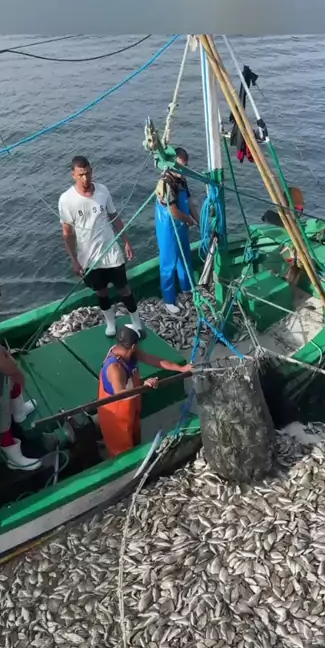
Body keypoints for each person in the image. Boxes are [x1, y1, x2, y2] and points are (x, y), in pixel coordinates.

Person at [59, 156, 143, 338]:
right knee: (101, 291)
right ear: (73, 175)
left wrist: (126, 242)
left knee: (124, 288)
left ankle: (136, 323)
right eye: (81, 175)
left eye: (88, 173)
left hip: (111, 251)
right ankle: (110, 323)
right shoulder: (66, 200)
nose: (85, 178)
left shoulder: (103, 191)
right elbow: (67, 233)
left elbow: (114, 218)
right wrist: (74, 260)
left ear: (92, 171)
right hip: (89, 257)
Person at [0, 278, 41, 471]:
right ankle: (14, 458)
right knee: (1, 419)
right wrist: (16, 372)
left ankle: (19, 413)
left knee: (12, 387)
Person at [98, 324, 192, 458]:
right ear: (133, 346)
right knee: (122, 451)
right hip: (116, 415)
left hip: (130, 406)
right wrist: (144, 386)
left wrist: (181, 368)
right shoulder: (114, 368)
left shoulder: (129, 352)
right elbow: (119, 394)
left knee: (135, 436)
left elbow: (155, 360)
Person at [155, 147, 199, 315]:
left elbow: (189, 202)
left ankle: (187, 289)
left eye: (185, 166)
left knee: (184, 257)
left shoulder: (182, 179)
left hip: (181, 226)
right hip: (168, 227)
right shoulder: (166, 183)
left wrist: (199, 221)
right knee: (168, 263)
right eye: (180, 166)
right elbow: (173, 211)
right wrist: (189, 220)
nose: (183, 170)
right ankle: (168, 300)